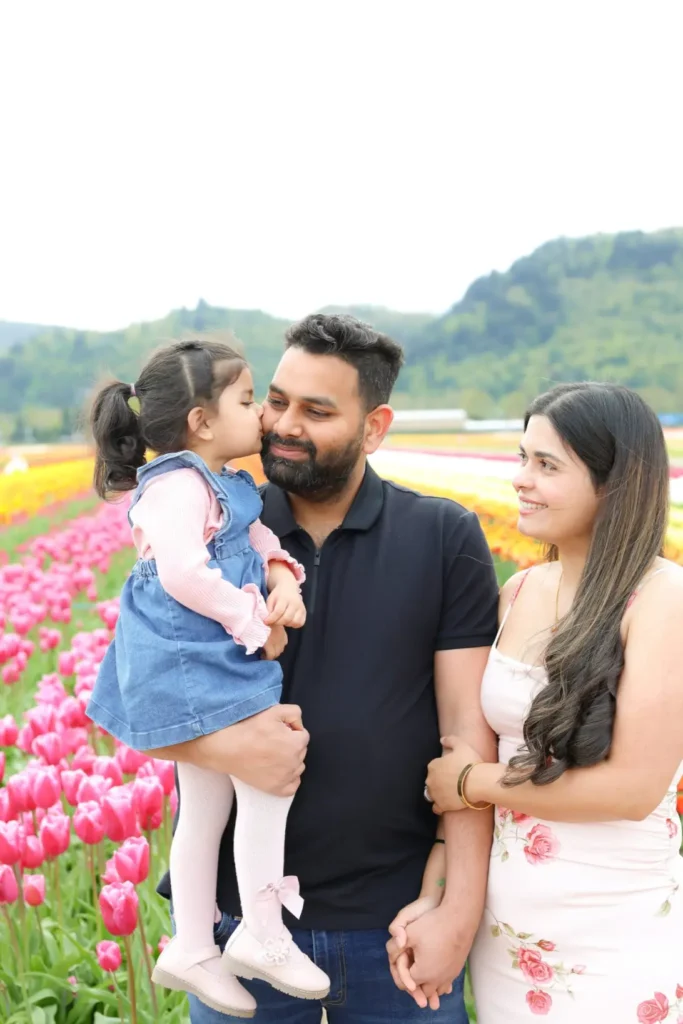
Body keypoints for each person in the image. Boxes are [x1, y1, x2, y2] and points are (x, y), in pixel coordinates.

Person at [151, 313, 500, 1023]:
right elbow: (141, 700)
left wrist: (457, 909)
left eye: (316, 410)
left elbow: (467, 731)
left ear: (374, 427)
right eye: (274, 400)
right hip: (238, 929)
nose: (282, 424)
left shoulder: (441, 537)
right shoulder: (209, 527)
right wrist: (226, 747)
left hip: (396, 924)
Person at [87, 338, 331, 1018]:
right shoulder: (173, 486)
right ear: (200, 420)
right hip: (194, 659)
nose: (264, 417)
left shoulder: (219, 482)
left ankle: (192, 944)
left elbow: (252, 541)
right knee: (265, 781)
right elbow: (184, 574)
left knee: (206, 807)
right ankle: (260, 929)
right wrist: (254, 617)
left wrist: (281, 573)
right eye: (250, 400)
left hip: (201, 656)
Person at [423, 382, 683, 1022]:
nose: (520, 480)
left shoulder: (662, 599)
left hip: (614, 930)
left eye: (547, 465)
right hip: (508, 936)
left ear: (614, 483)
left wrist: (473, 781)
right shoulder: (519, 591)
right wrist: (437, 895)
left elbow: (632, 789)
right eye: (521, 458)